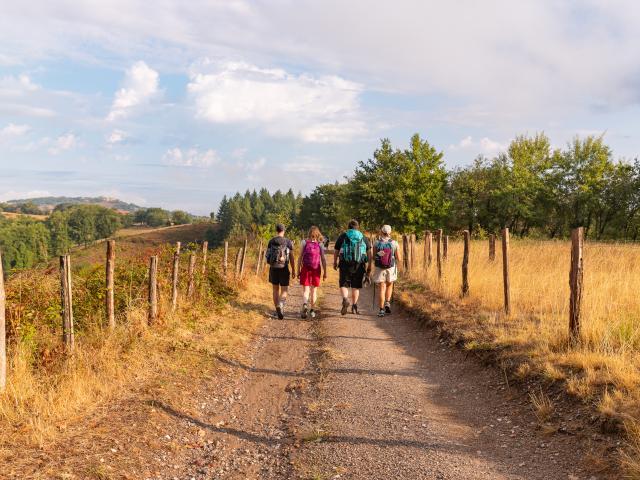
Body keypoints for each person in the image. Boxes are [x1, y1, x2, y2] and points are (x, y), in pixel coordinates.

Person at [333, 219, 372, 315]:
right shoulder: (363, 237)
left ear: (348, 227)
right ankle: (354, 306)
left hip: (344, 264)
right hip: (359, 265)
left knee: (343, 284)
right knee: (356, 286)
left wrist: (335, 262)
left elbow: (336, 250)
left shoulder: (343, 236)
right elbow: (369, 252)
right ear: (358, 227)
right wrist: (369, 265)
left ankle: (345, 299)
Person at [265, 223, 296, 319]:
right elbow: (291, 257)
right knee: (284, 290)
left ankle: (277, 308)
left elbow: (267, 256)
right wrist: (294, 269)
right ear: (284, 230)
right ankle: (281, 304)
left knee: (275, 289)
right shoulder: (288, 242)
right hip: (284, 268)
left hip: (273, 268)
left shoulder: (271, 241)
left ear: (276, 230)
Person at [297, 226, 327, 319]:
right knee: (314, 291)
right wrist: (325, 272)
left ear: (309, 233)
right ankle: (312, 310)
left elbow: (300, 257)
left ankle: (305, 304)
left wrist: (298, 270)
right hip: (316, 269)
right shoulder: (320, 244)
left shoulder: (304, 242)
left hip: (305, 268)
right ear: (318, 234)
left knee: (306, 290)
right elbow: (323, 259)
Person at [372, 225, 400, 317]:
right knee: (390, 284)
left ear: (381, 232)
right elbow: (398, 258)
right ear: (390, 232)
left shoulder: (376, 243)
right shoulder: (394, 243)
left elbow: (373, 257)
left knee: (382, 287)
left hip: (380, 267)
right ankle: (387, 303)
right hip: (391, 267)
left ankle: (381, 310)